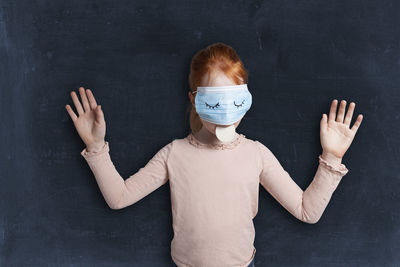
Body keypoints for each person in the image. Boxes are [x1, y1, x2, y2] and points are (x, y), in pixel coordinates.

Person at [65, 42, 363, 267]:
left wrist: (332, 157)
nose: (225, 115)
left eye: (235, 101)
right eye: (215, 102)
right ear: (195, 99)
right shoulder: (174, 154)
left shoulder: (256, 154)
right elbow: (119, 198)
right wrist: (96, 147)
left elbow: (306, 211)